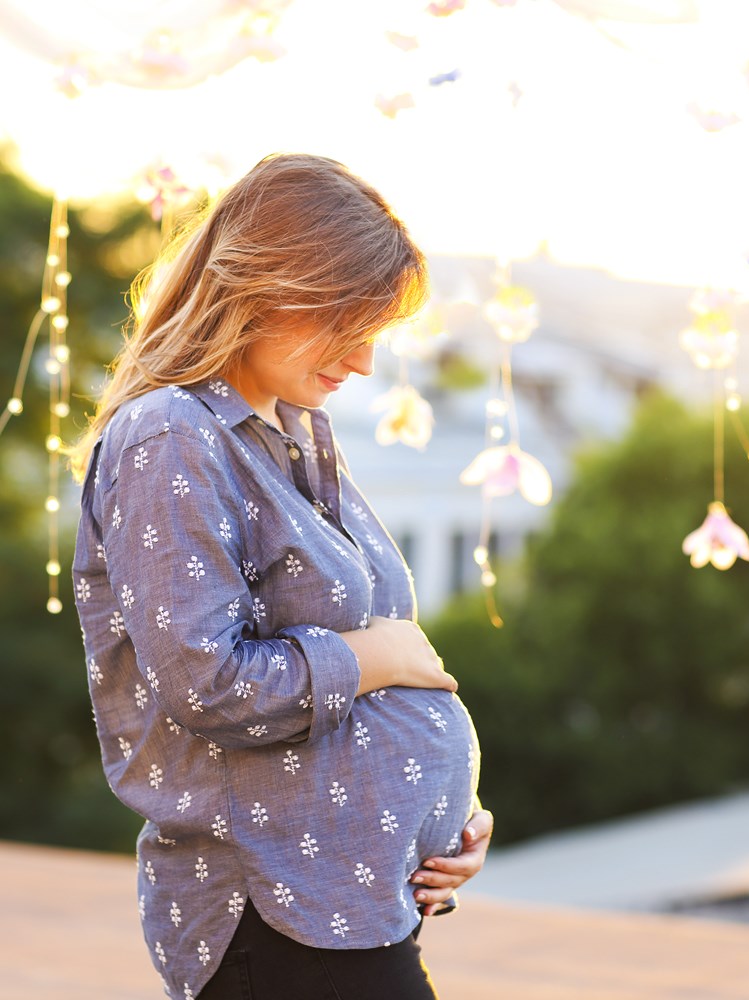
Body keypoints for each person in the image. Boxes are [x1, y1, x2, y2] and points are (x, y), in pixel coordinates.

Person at [70, 153, 492, 999]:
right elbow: (211, 684)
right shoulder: (173, 435)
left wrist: (441, 819)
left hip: (351, 899)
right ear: (270, 285)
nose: (367, 362)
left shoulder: (288, 431)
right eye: (349, 325)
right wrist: (383, 657)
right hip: (274, 911)